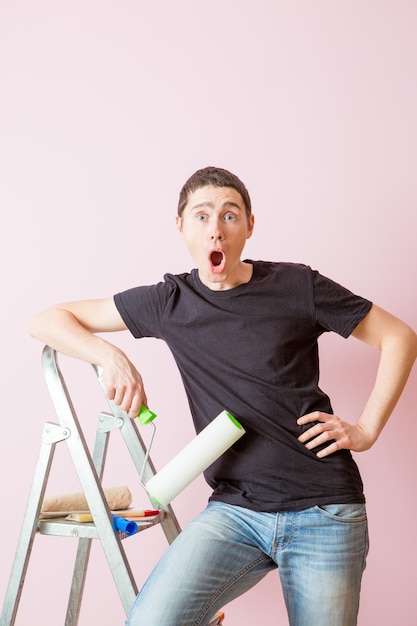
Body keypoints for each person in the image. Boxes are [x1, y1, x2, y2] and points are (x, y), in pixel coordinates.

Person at [30, 166, 417, 626]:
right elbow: (47, 320)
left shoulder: (297, 286)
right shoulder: (170, 301)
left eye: (230, 215)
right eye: (202, 216)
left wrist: (367, 429)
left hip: (324, 510)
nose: (216, 228)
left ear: (250, 225)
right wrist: (109, 355)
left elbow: (399, 337)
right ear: (181, 227)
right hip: (236, 513)